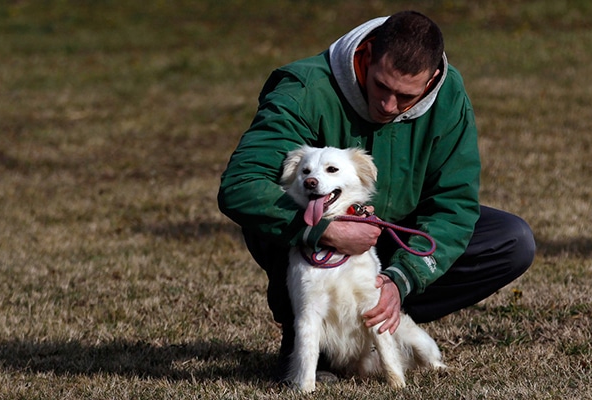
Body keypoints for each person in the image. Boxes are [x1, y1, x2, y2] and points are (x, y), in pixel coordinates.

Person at [217, 11, 535, 382]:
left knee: (511, 240)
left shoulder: (448, 95)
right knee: (272, 214)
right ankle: (309, 341)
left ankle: (372, 321)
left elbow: (453, 206)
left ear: (431, 80)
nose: (388, 105)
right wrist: (322, 230)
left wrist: (401, 278)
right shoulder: (304, 88)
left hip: (393, 236)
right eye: (381, 86)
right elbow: (240, 185)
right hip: (311, 241)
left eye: (405, 96)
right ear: (366, 55)